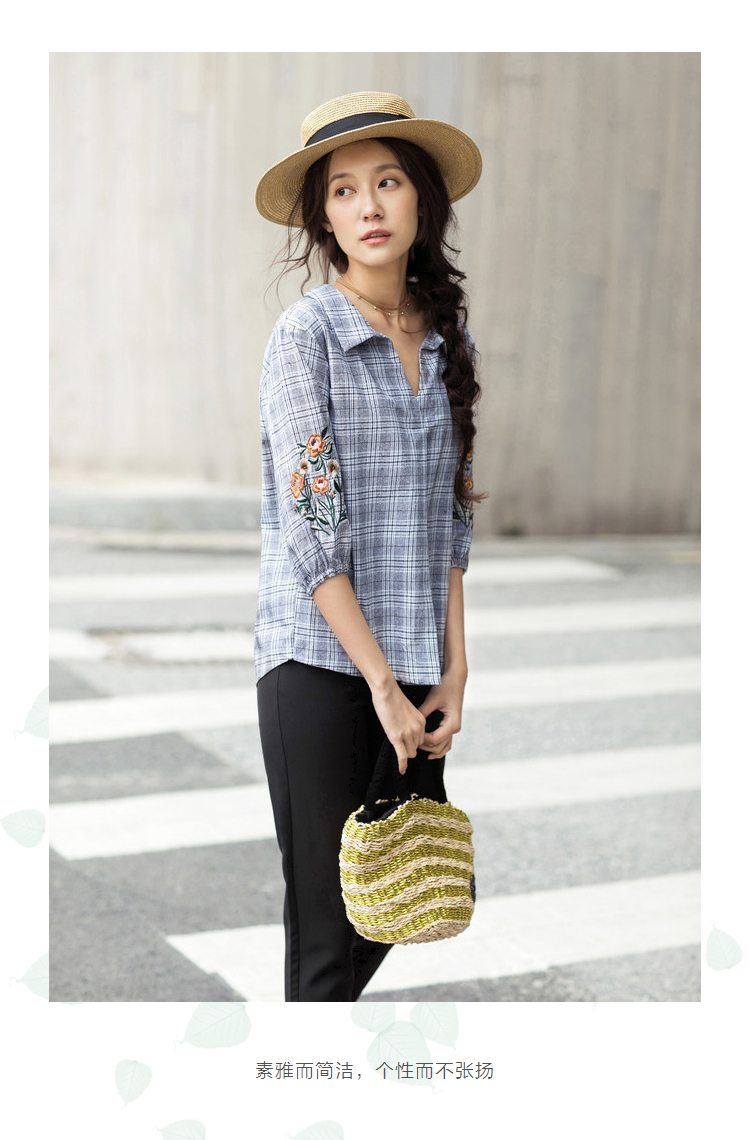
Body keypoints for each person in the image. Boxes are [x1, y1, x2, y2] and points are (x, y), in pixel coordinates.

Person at [253, 91, 484, 1002]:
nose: (369, 207)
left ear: (423, 198)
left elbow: (452, 519)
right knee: (327, 935)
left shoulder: (447, 335)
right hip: (320, 664)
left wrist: (454, 670)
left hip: (419, 669)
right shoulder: (306, 335)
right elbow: (313, 528)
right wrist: (381, 684)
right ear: (325, 219)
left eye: (387, 182)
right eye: (344, 192)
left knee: (392, 902)